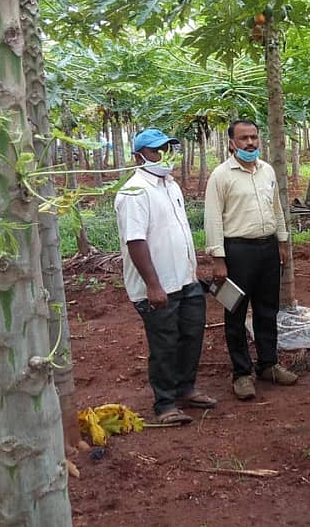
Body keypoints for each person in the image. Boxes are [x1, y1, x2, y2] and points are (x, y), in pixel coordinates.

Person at [114, 128, 216, 425]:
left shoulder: (170, 185)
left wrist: (193, 272)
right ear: (139, 156)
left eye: (167, 149)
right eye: (156, 151)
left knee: (191, 335)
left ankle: (186, 388)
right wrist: (153, 285)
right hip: (158, 286)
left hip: (185, 279)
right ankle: (165, 403)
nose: (163, 156)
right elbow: (136, 241)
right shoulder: (134, 192)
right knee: (164, 344)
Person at [204, 119, 297, 400]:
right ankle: (242, 373)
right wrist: (218, 259)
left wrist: (282, 241)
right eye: (244, 138)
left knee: (267, 309)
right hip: (237, 251)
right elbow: (213, 218)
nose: (250, 143)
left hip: (267, 248)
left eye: (254, 137)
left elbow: (277, 208)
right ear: (232, 143)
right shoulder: (221, 175)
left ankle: (268, 364)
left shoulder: (266, 170)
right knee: (234, 312)